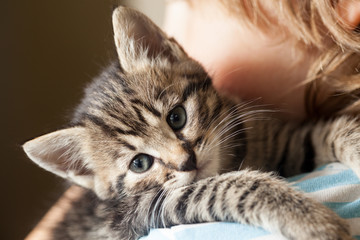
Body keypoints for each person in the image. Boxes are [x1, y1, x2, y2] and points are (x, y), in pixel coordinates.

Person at [26, 0, 360, 239]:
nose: (182, 159)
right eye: (140, 162)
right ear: (86, 173)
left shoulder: (237, 119)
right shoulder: (143, 208)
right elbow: (160, 209)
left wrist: (347, 139)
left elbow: (302, 143)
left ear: (168, 54)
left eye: (175, 117)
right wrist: (255, 195)